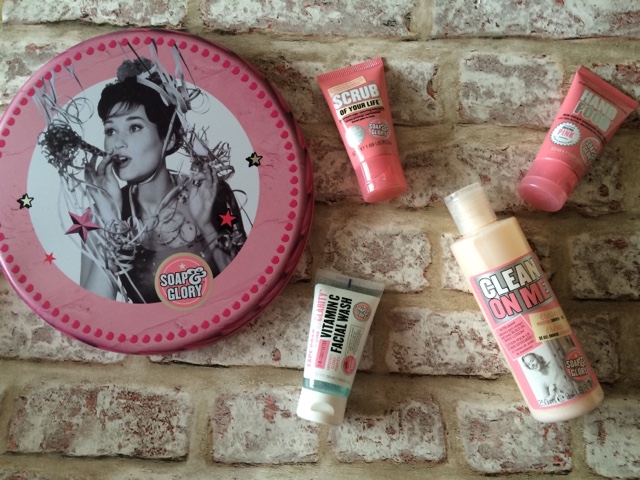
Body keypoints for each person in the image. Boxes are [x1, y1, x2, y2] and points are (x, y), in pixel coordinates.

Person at [80, 58, 246, 303]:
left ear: (169, 139)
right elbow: (93, 311)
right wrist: (110, 220)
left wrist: (206, 225)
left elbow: (246, 287)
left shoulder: (211, 193)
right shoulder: (98, 216)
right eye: (110, 130)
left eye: (134, 127)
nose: (117, 143)